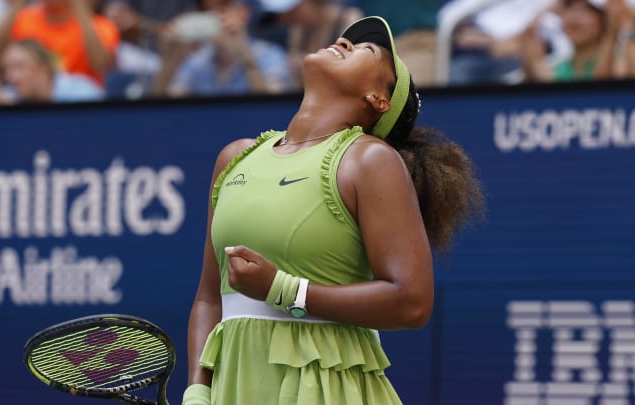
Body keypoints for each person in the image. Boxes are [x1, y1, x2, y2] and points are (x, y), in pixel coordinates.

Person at [182, 16, 485, 405]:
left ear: (378, 99)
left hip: (325, 390)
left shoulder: (370, 161)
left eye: (365, 49)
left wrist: (283, 289)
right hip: (233, 387)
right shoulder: (234, 157)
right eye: (347, 39)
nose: (344, 42)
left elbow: (412, 301)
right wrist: (198, 390)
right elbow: (210, 297)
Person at [156, 0, 293, 97]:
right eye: (207, 10)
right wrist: (168, 62)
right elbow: (165, 111)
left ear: (243, 12)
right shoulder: (196, 61)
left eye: (222, 8)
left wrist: (245, 55)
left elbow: (273, 108)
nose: (214, 15)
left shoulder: (272, 56)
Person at [0, 0, 120, 85]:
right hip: (33, 101)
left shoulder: (102, 26)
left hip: (83, 105)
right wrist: (17, 5)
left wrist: (81, 7)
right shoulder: (24, 19)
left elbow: (103, 67)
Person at [257, 0, 363, 89]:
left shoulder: (349, 19)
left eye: (293, 10)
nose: (286, 18)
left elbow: (356, 75)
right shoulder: (297, 29)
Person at [0, 39, 104, 104]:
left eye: (19, 66)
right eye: (6, 69)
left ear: (44, 69)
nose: (10, 77)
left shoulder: (82, 91)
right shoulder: (9, 95)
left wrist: (4, 106)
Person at [521, 0, 607, 82]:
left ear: (603, 19)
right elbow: (529, 32)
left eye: (586, 10)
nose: (574, 16)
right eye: (569, 8)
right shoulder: (556, 68)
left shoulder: (615, 64)